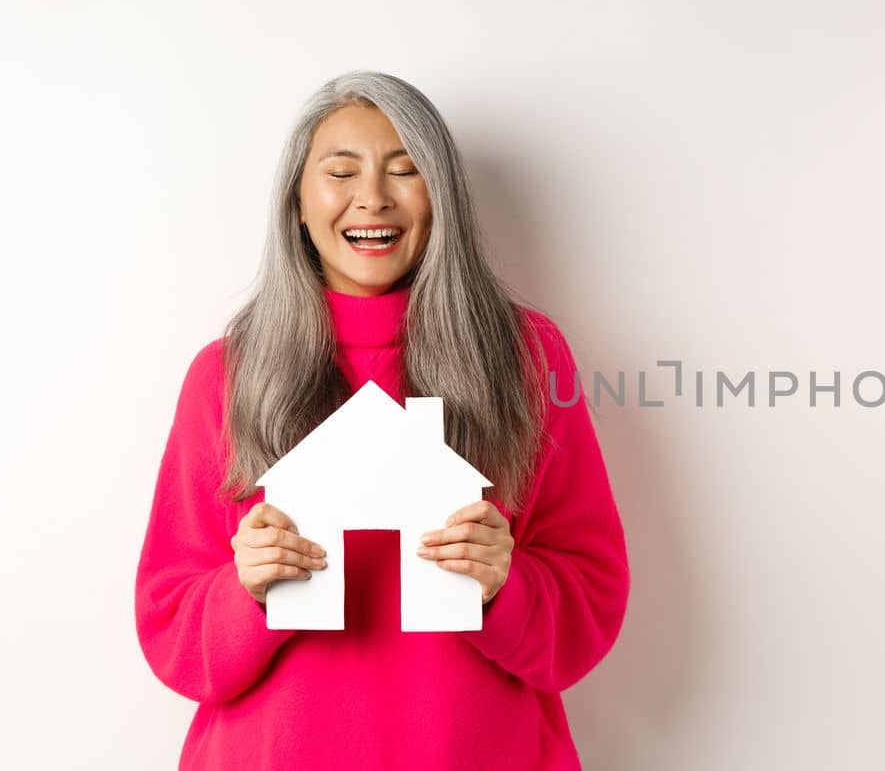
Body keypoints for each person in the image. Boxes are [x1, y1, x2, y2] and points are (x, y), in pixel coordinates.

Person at [133, 70, 630, 770]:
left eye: (407, 170)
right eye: (341, 172)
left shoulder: (525, 357)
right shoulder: (227, 374)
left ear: (443, 200)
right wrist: (242, 591)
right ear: (297, 206)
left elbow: (591, 601)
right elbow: (169, 628)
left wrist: (505, 585)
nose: (373, 197)